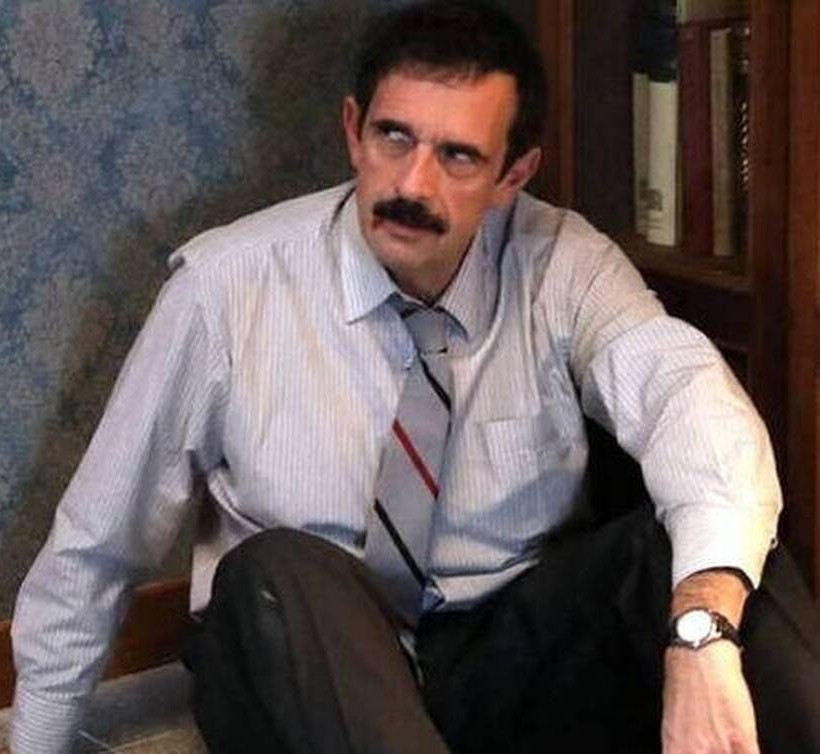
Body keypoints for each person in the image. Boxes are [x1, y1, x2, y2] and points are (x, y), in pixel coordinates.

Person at [9, 2, 820, 753]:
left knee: (716, 558)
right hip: (298, 658)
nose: (411, 185)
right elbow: (97, 543)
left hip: (492, 655)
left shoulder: (564, 264)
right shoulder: (224, 287)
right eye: (394, 138)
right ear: (354, 131)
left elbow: (692, 403)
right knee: (277, 568)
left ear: (513, 175)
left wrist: (701, 633)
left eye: (458, 156)